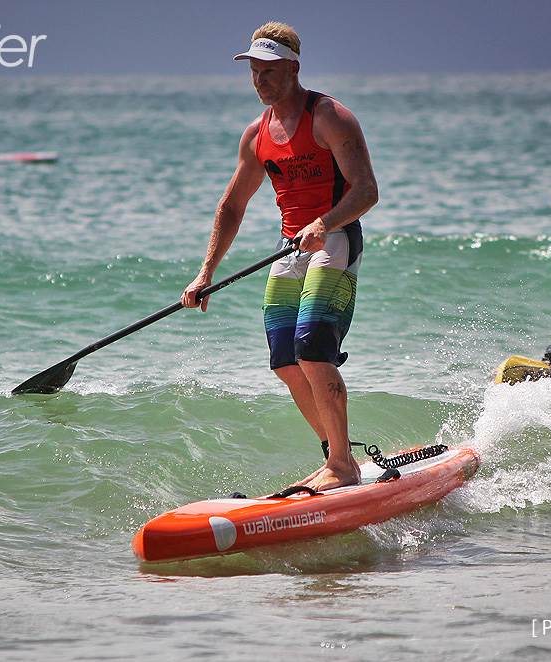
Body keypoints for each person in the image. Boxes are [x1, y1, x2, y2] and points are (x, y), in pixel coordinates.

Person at [180, 22, 379, 490]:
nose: (260, 79)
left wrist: (324, 223)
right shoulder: (256, 135)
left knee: (312, 349)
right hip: (290, 246)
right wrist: (205, 273)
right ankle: (338, 458)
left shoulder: (330, 117)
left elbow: (366, 190)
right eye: (254, 69)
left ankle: (341, 467)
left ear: (293, 68)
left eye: (269, 69)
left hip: (335, 240)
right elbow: (232, 206)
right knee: (285, 361)